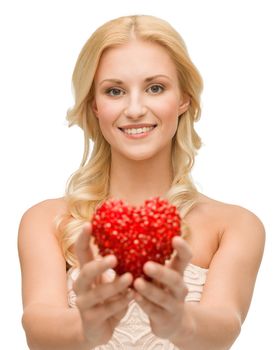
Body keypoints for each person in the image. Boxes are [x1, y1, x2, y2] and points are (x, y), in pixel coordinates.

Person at [18, 14, 265, 350]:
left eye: (155, 88)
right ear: (94, 105)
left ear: (183, 99)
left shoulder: (235, 225)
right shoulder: (48, 220)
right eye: (115, 91)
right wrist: (85, 329)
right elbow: (37, 326)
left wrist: (180, 322)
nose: (134, 109)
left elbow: (225, 326)